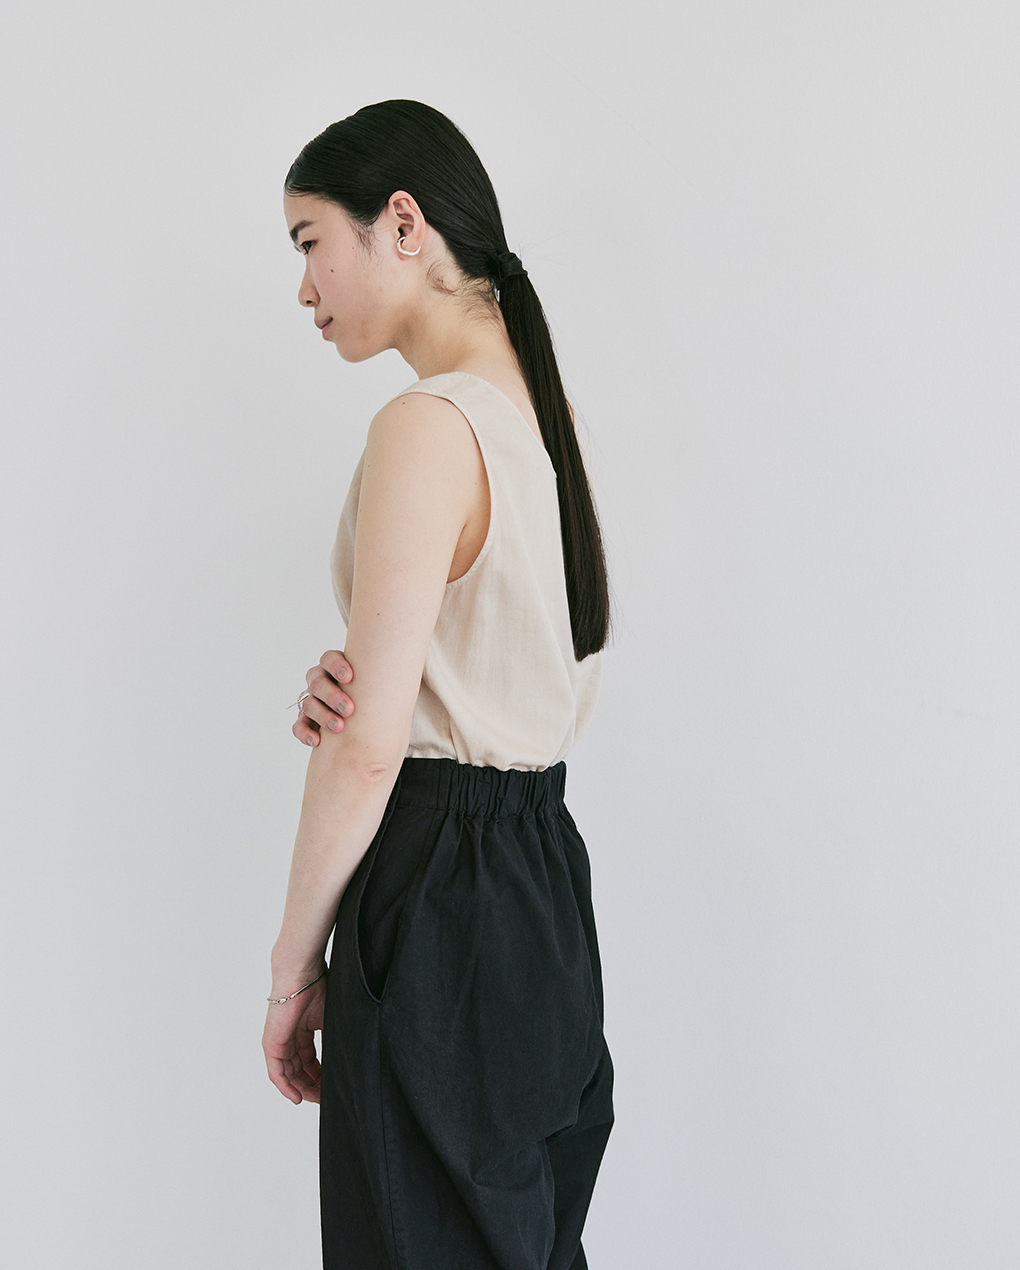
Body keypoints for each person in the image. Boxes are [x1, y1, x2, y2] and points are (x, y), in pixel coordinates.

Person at [261, 99, 614, 1270]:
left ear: (403, 224)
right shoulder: (546, 421)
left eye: (311, 241)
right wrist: (387, 690)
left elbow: (367, 751)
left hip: (435, 890)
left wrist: (291, 971)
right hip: (541, 883)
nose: (304, 287)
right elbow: (496, 671)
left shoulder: (425, 425)